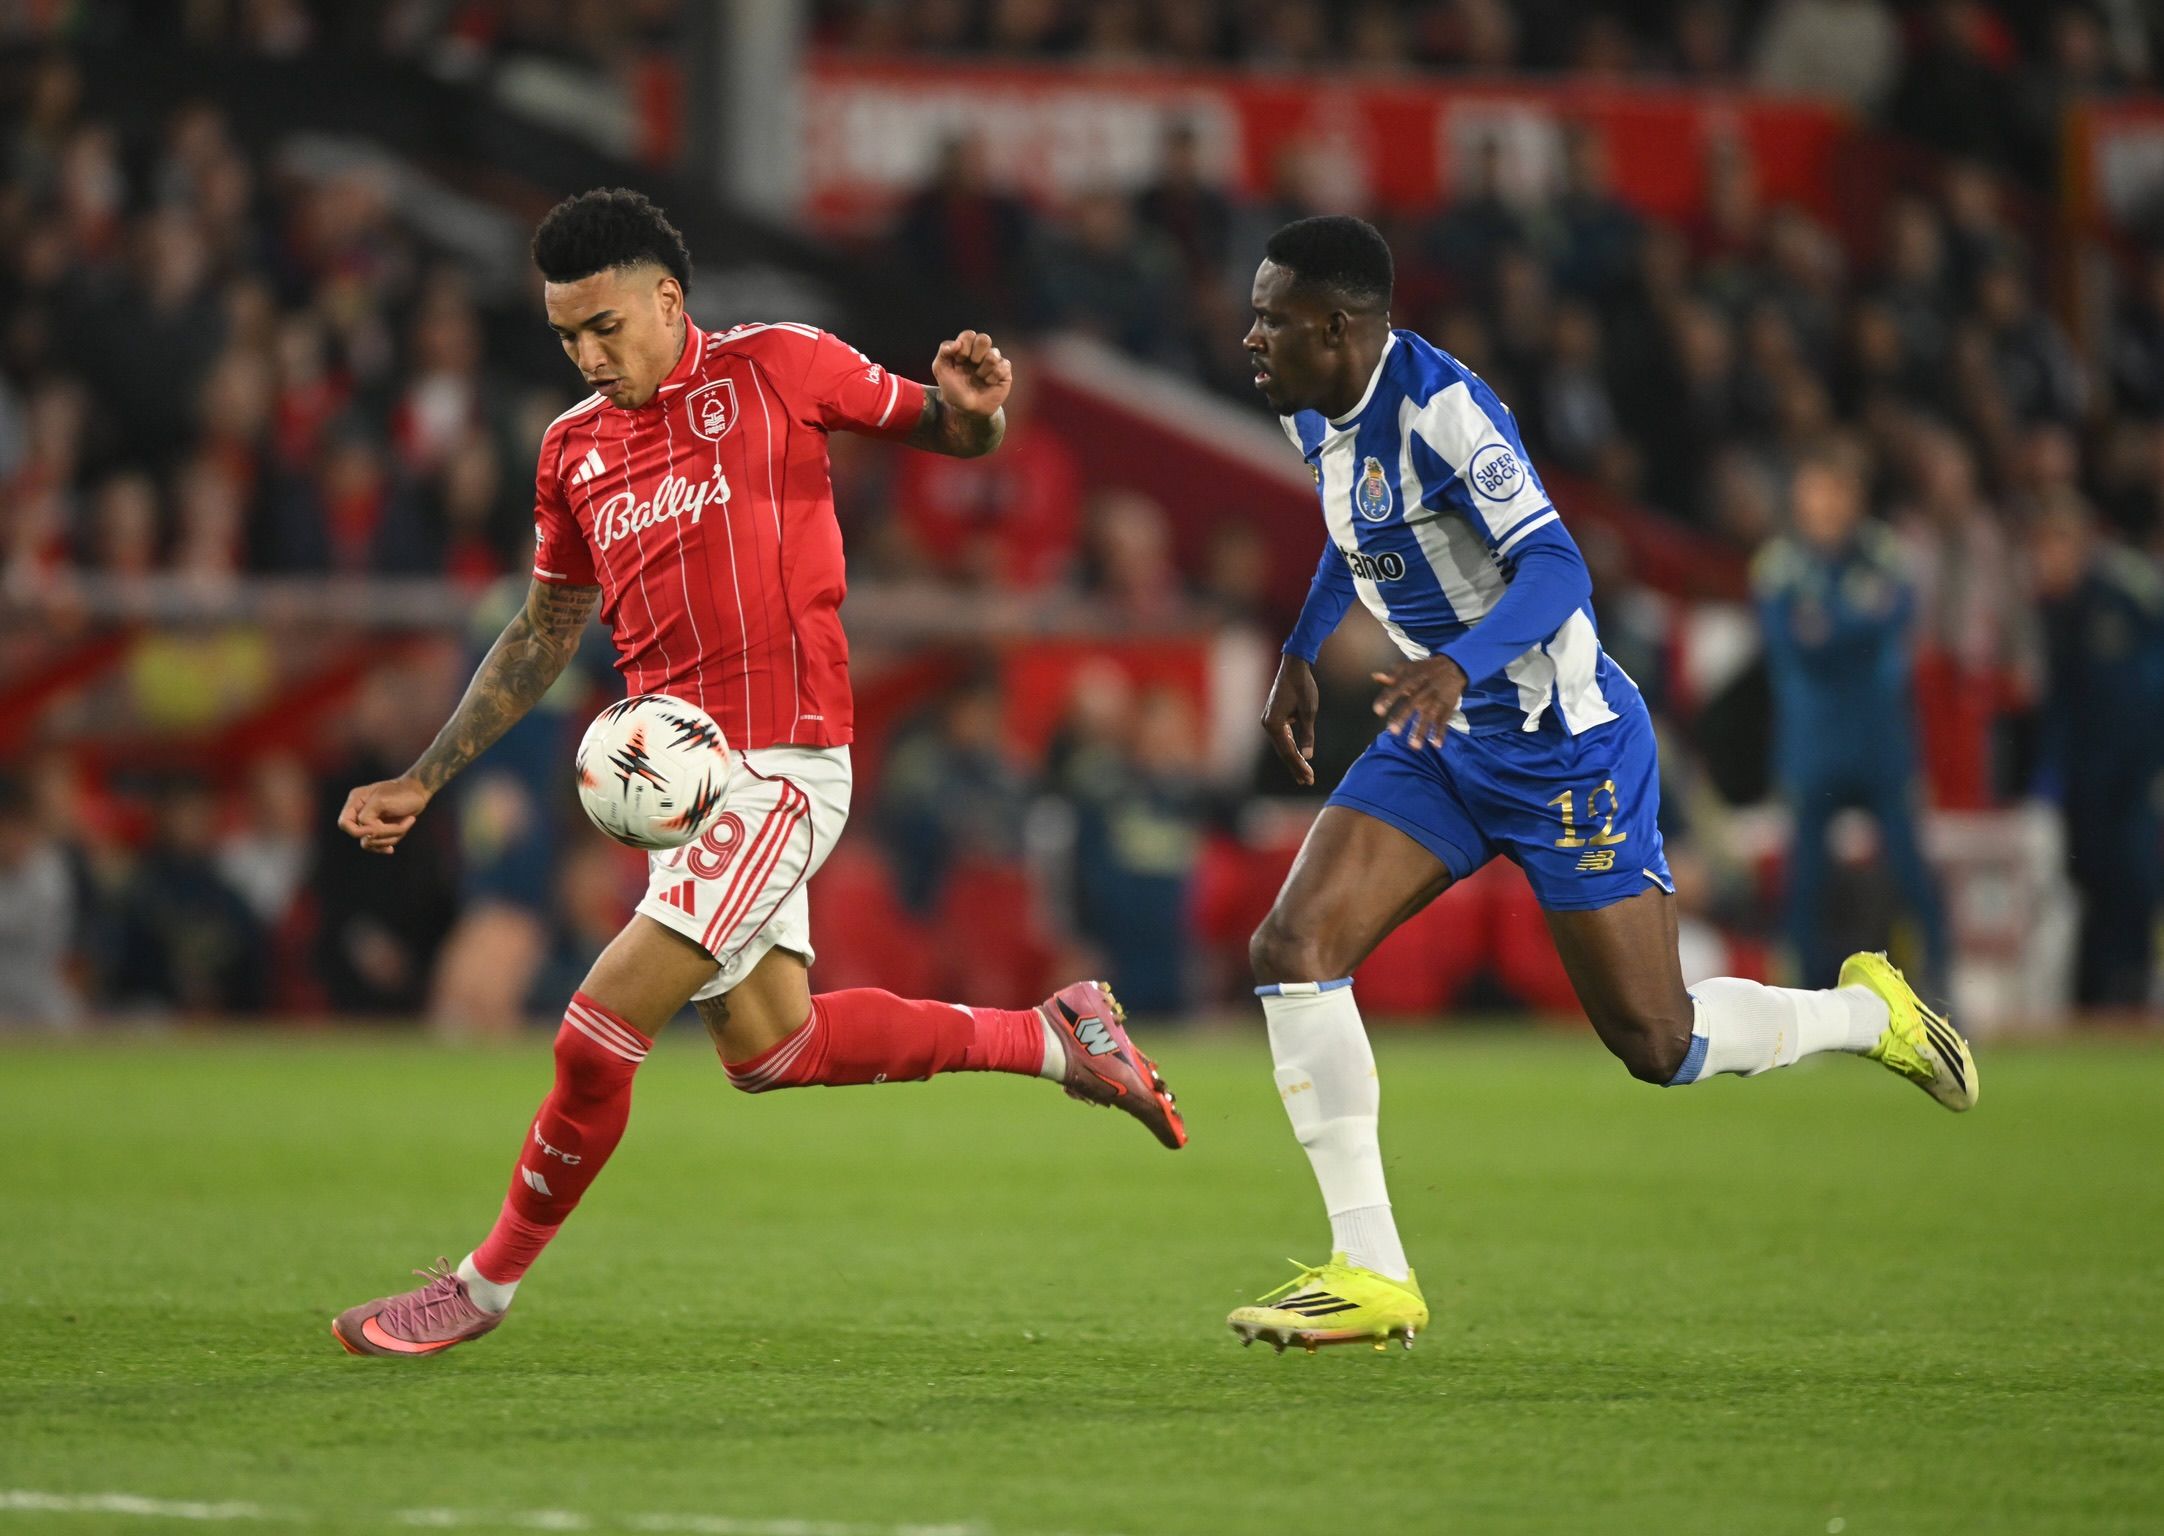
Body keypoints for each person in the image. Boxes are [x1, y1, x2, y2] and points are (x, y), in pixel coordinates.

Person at [330, 189, 1184, 1359]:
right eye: (567, 336)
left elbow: (949, 425)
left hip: (782, 768)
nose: (588, 355)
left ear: (667, 300)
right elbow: (540, 633)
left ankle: (479, 1290)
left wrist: (979, 417)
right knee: (774, 1050)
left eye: (605, 327)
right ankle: (1056, 1037)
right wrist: (426, 776)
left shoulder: (781, 366)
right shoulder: (571, 450)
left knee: (592, 1034)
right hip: (685, 802)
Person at [1226, 217, 1975, 1356]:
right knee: (1292, 950)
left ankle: (1867, 1012)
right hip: (1442, 735)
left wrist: (1457, 662)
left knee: (1656, 1040)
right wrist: (1300, 649)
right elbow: (1353, 528)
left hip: (1559, 742)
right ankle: (1371, 1268)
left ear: (1337, 327)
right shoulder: (1308, 402)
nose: (1252, 334)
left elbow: (1558, 564)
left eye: (1272, 316)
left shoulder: (1445, 412)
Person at [1758, 444, 1952, 989]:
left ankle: (1939, 981)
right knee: (1805, 883)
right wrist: (1851, 624)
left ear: (1855, 496)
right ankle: (1803, 993)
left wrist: (1827, 627)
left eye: (1835, 491)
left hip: (1878, 741)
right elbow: (1793, 642)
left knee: (1912, 868)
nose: (1824, 504)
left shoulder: (1887, 555)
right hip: (1813, 745)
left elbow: (1886, 621)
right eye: (1814, 491)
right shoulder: (1779, 567)